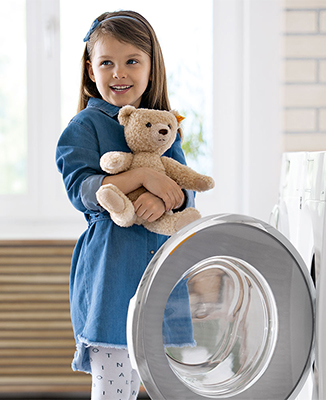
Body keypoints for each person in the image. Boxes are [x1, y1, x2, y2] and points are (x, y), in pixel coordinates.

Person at [56, 10, 195, 400]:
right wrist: (140, 178)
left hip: (160, 274)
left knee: (168, 385)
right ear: (90, 70)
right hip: (110, 277)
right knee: (114, 389)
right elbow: (82, 190)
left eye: (132, 61)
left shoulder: (165, 127)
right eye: (107, 63)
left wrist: (162, 195)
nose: (119, 73)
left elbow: (184, 188)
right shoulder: (83, 127)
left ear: (152, 67)